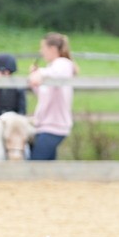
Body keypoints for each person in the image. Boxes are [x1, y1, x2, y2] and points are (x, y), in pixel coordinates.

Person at [27, 32, 78, 161]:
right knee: (47, 168)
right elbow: (44, 94)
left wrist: (40, 73)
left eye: (43, 48)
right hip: (46, 125)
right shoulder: (52, 67)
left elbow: (57, 73)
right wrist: (36, 79)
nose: (41, 51)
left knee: (35, 165)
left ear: (53, 49)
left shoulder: (63, 63)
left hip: (54, 126)